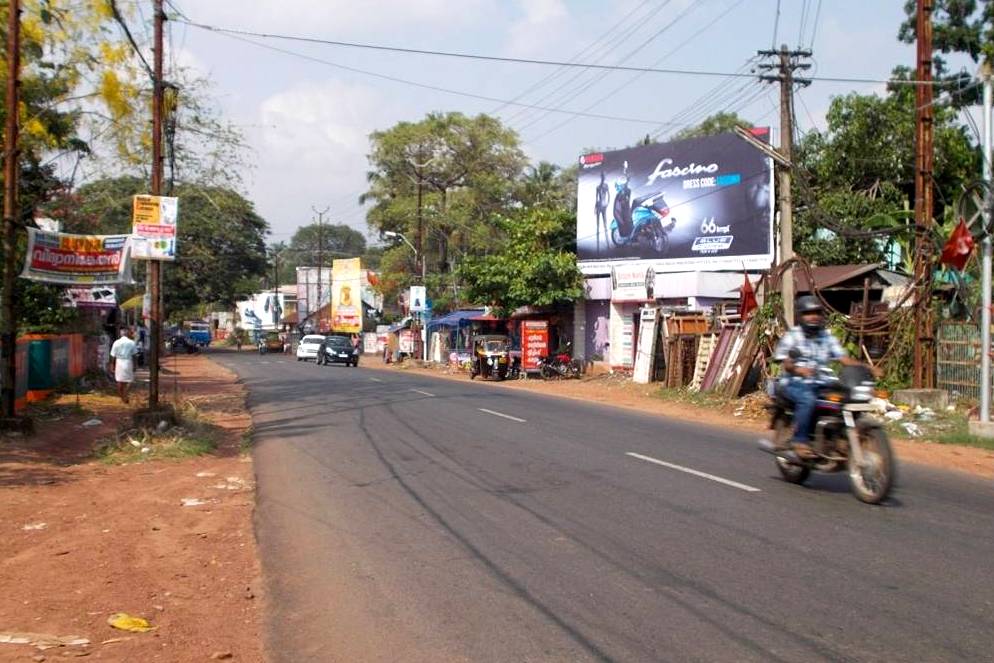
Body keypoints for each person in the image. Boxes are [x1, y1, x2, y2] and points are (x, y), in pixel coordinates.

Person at [769, 296, 864, 457]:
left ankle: (841, 437)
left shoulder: (827, 336)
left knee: (849, 397)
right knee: (808, 399)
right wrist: (800, 370)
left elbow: (843, 359)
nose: (813, 316)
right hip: (794, 383)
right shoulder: (793, 336)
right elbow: (787, 363)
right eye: (808, 313)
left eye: (817, 312)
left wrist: (866, 368)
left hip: (822, 382)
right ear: (800, 316)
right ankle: (800, 441)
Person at [110, 327, 138, 404]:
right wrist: (135, 365)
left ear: (120, 334)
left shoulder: (116, 343)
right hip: (128, 362)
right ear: (128, 333)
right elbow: (135, 355)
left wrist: (112, 365)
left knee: (119, 381)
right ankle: (125, 395)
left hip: (119, 362)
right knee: (128, 381)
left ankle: (122, 396)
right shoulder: (131, 343)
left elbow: (113, 356)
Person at [595, 171, 609, 248]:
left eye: (604, 176)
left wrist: (607, 204)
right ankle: (598, 242)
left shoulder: (606, 186)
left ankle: (607, 240)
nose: (603, 178)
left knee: (605, 222)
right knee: (598, 223)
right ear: (601, 177)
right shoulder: (598, 187)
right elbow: (596, 198)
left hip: (603, 205)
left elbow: (608, 195)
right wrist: (595, 207)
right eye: (602, 176)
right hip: (599, 205)